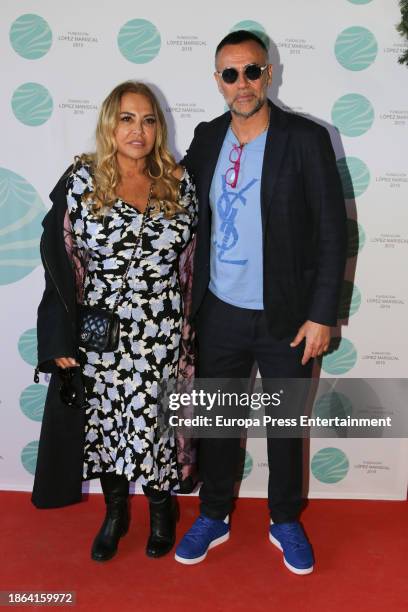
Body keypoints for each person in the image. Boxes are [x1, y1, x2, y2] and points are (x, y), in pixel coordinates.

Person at [174, 30, 347, 574]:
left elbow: (331, 232)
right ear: (218, 81)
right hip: (219, 308)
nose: (242, 84)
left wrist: (322, 313)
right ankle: (215, 513)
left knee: (286, 424)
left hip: (289, 315)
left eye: (251, 71)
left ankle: (285, 519)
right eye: (230, 74)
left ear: (268, 74)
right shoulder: (206, 140)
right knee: (219, 422)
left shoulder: (305, 139)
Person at [32, 81, 198, 562]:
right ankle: (116, 513)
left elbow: (194, 260)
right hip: (100, 330)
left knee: (157, 426)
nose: (138, 129)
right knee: (105, 424)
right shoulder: (83, 179)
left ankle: (163, 511)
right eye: (127, 118)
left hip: (162, 330)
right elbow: (58, 263)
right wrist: (59, 336)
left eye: (148, 119)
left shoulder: (180, 182)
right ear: (110, 123)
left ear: (159, 127)